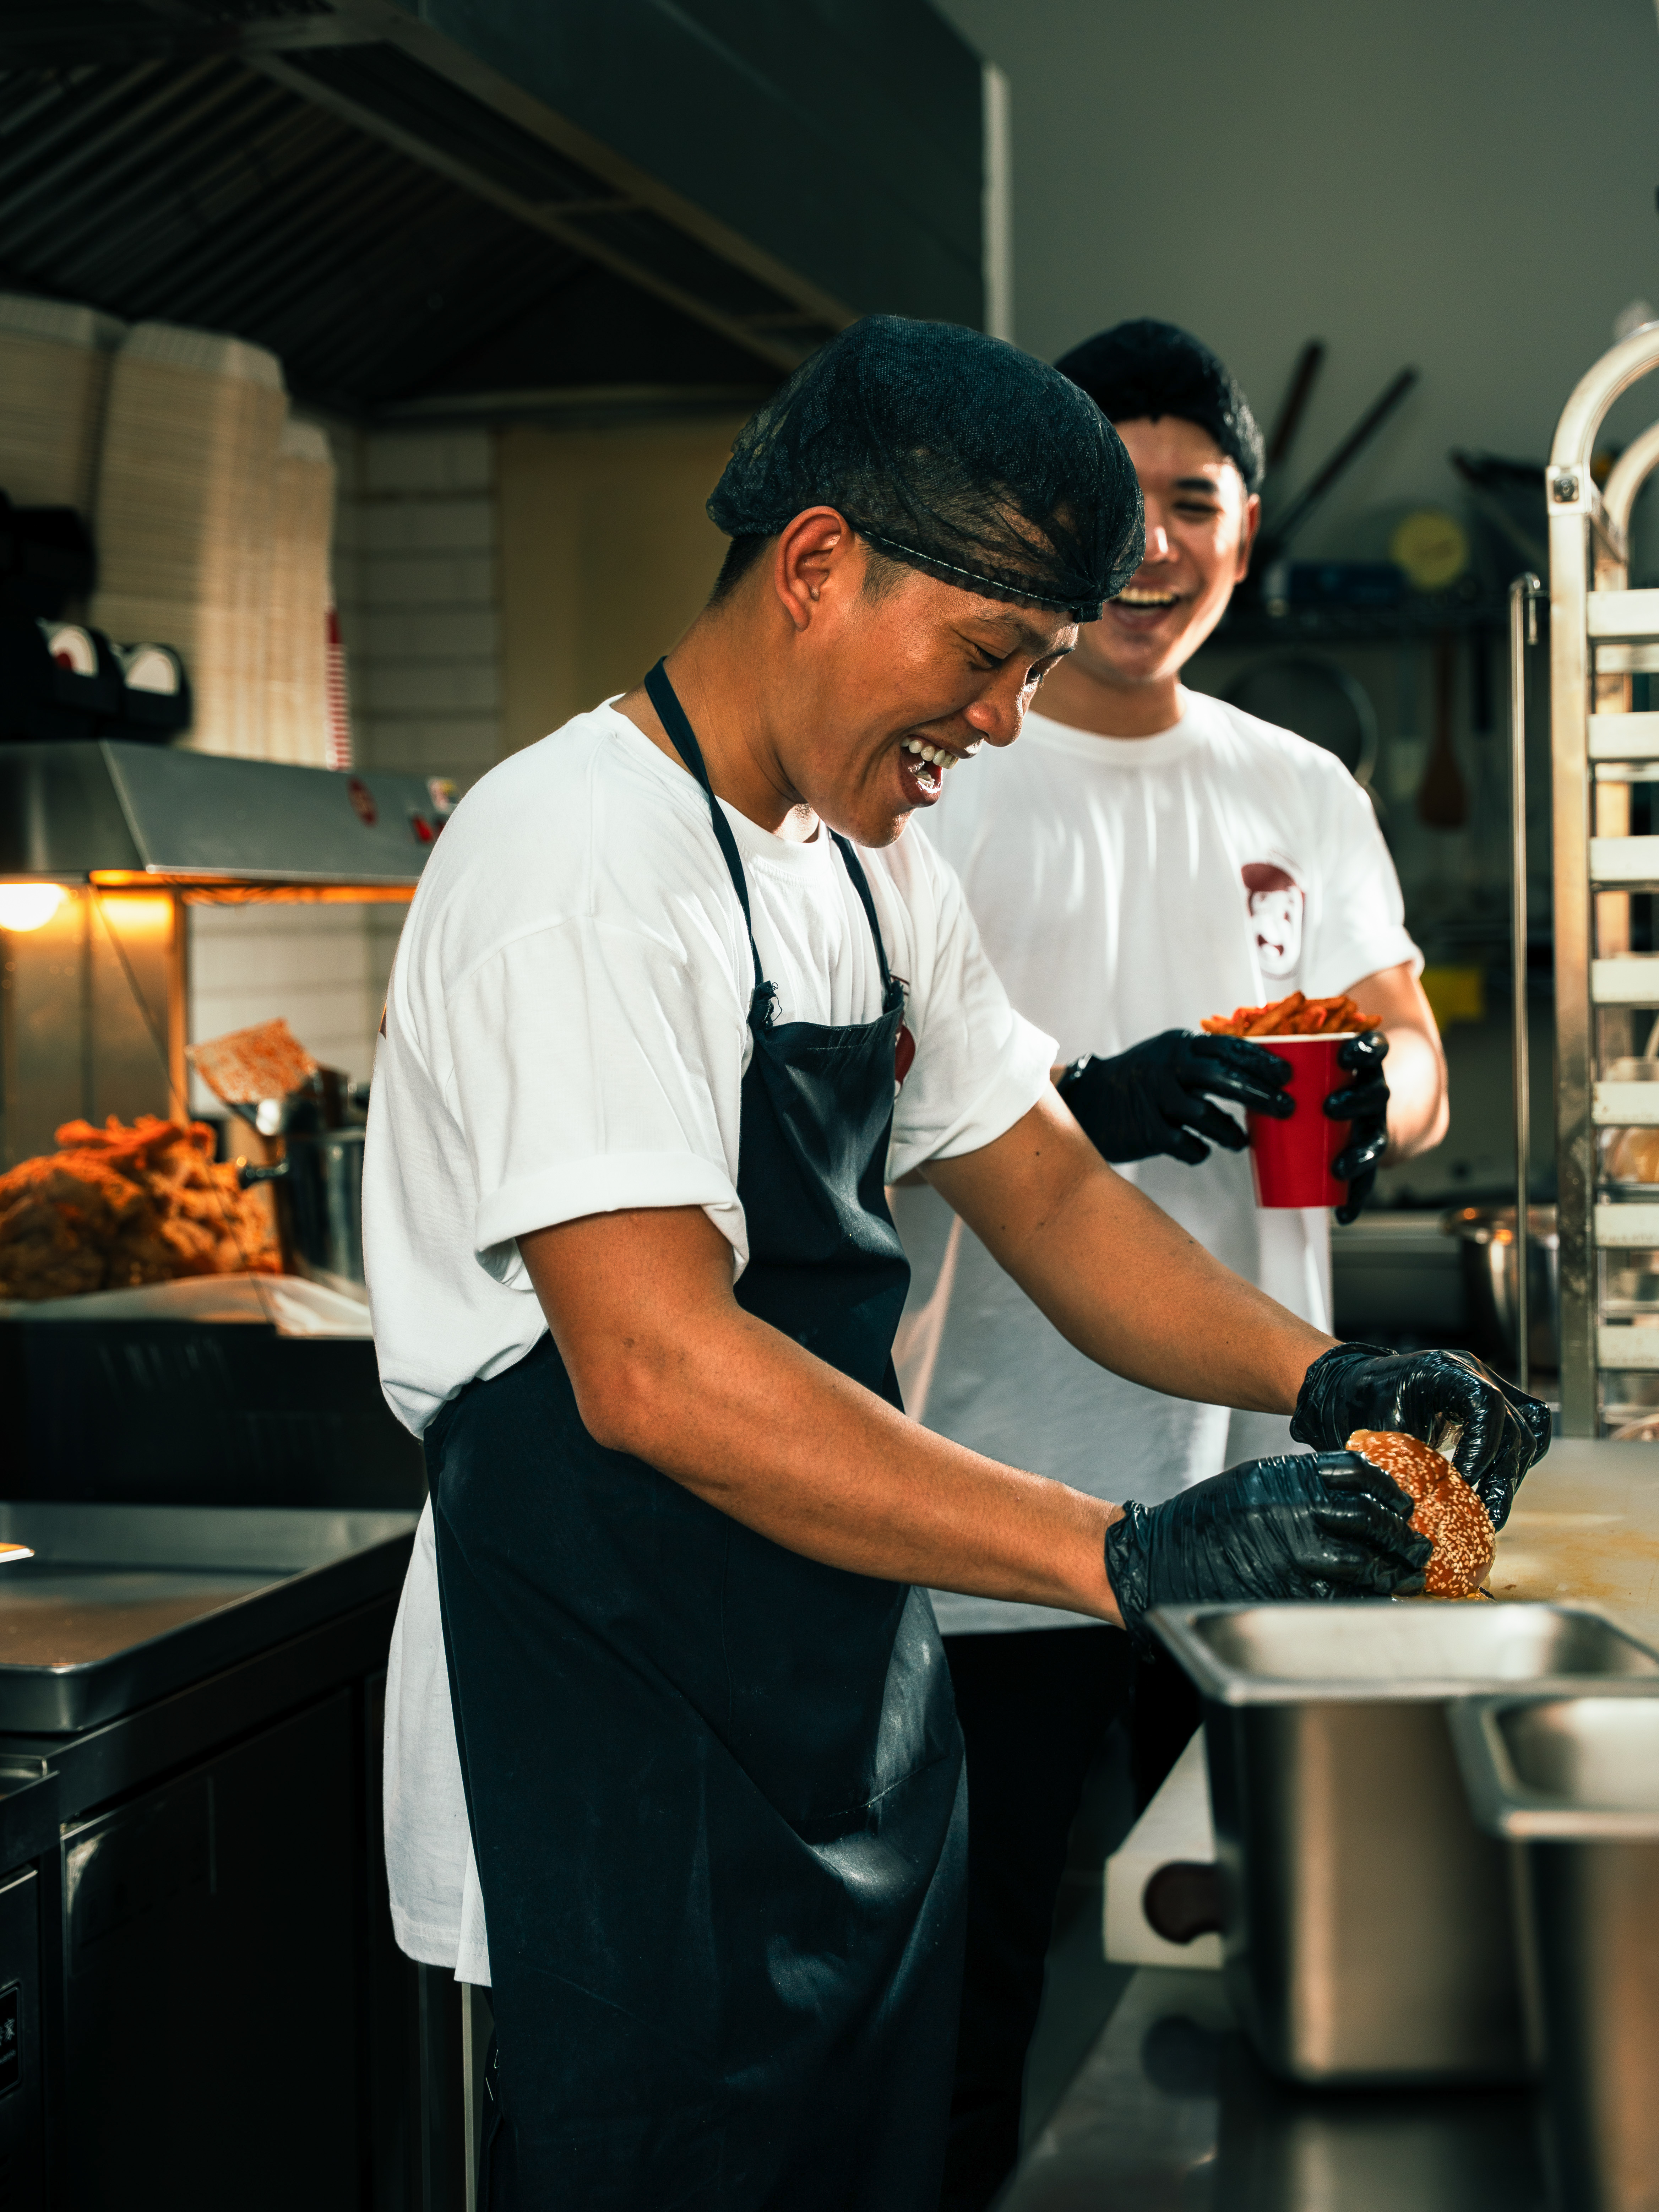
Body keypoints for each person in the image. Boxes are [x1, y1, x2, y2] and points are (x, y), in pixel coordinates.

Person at [364, 316, 1545, 2211]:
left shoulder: (863, 864)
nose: (999, 723)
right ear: (817, 566)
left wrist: (1318, 1377)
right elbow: (655, 1372)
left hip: (834, 1695)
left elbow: (1054, 1198)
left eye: (1033, 670)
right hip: (606, 1743)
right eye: (987, 655)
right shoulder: (577, 861)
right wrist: (1122, 1552)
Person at [887, 318, 1459, 2212]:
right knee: (974, 1988)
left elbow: (1410, 1041)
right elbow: (875, 1088)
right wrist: (1081, 1103)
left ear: (1248, 527)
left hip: (1267, 1478)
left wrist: (1386, 1090)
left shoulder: (1297, 782)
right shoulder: (948, 761)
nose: (1152, 545)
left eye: (1193, 502)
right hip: (995, 1493)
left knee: (1278, 1957)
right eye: (1112, 500)